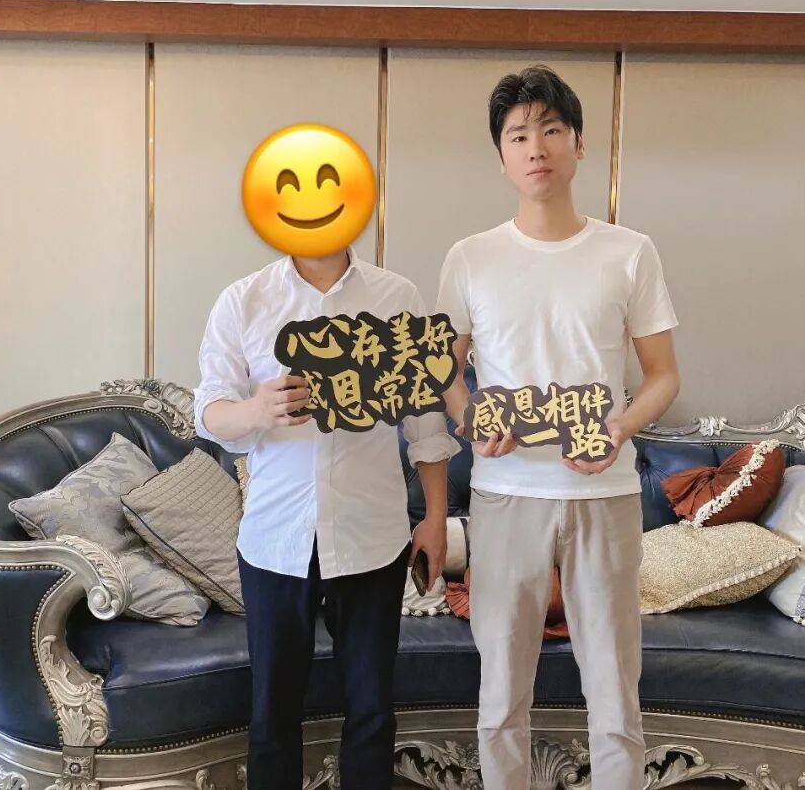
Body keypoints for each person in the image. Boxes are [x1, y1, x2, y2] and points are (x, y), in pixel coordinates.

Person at [437, 64, 681, 789]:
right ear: (502, 156)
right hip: (505, 493)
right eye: (518, 135)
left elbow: (663, 376)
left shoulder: (629, 252)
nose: (535, 146)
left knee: (614, 694)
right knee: (500, 697)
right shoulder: (470, 257)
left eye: (550, 129)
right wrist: (471, 420)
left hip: (603, 494)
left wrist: (618, 429)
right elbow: (444, 373)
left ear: (578, 144)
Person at [195, 244, 459, 790]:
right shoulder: (244, 300)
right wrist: (258, 409)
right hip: (275, 540)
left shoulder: (397, 297)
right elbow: (209, 412)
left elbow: (425, 424)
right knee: (273, 710)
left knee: (372, 708)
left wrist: (435, 518)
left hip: (372, 536)